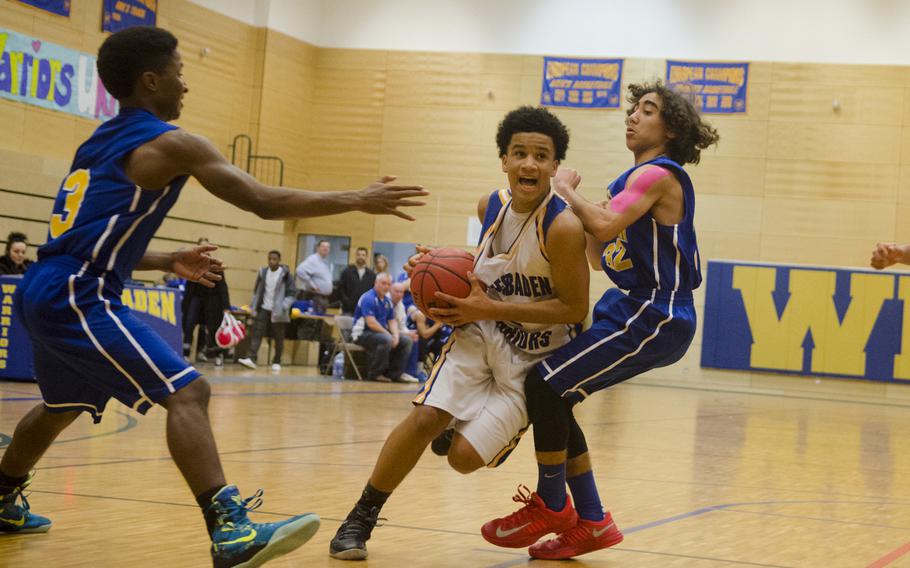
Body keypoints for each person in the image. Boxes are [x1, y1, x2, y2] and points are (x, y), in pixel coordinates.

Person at [0, 26, 426, 568]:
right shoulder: (172, 141)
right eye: (179, 73)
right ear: (151, 80)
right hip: (77, 292)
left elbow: (83, 234)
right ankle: (230, 531)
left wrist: (159, 259)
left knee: (61, 406)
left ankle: (2, 497)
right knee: (189, 392)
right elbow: (262, 202)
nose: (185, 85)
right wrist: (358, 198)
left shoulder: (98, 139)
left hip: (48, 281)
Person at [329, 106, 589, 560]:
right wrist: (431, 267)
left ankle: (465, 428)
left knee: (462, 460)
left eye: (541, 156)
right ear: (504, 160)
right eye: (519, 153)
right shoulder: (490, 205)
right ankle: (360, 518)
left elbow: (575, 308)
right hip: (479, 333)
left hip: (531, 362)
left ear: (553, 166)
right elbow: (488, 269)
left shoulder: (563, 226)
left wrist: (488, 304)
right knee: (425, 417)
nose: (529, 164)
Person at [481, 81, 719, 560]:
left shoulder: (658, 175)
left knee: (545, 386)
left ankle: (552, 505)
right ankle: (591, 520)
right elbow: (597, 254)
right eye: (634, 109)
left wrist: (567, 192)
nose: (633, 116)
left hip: (657, 309)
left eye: (647, 111)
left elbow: (607, 225)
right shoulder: (624, 184)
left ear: (670, 128)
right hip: (631, 304)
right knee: (555, 394)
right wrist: (572, 211)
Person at [350, 273, 413, 383]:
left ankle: (394, 374)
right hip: (362, 334)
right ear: (375, 283)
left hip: (378, 334)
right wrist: (389, 335)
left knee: (406, 341)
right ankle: (374, 374)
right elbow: (371, 323)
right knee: (386, 339)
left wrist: (396, 335)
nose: (386, 286)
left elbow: (392, 321)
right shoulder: (368, 298)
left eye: (388, 284)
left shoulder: (387, 301)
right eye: (383, 283)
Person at [238, 250, 295, 373]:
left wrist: (283, 306)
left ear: (279, 260)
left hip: (278, 311)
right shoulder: (263, 272)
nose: (271, 261)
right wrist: (253, 307)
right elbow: (256, 291)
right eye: (269, 259)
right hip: (263, 308)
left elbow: (292, 293)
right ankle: (251, 358)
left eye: (274, 259)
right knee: (256, 334)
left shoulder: (286, 275)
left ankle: (277, 361)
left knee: (278, 337)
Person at [182, 237, 231, 366]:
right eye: (201, 248)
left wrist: (226, 306)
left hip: (212, 300)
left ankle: (217, 354)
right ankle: (186, 353)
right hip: (196, 299)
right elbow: (188, 287)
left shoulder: (215, 264)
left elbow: (222, 286)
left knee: (212, 327)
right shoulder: (192, 264)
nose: (204, 251)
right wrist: (184, 306)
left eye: (206, 247)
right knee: (189, 323)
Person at [389, 281, 419, 383]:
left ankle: (410, 372)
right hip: (386, 332)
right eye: (396, 291)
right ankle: (397, 373)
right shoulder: (385, 302)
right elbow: (386, 327)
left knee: (414, 336)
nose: (399, 294)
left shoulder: (401, 305)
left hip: (395, 332)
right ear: (390, 291)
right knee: (407, 339)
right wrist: (405, 334)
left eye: (401, 292)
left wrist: (409, 332)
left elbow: (402, 326)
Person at [296, 239, 334, 313]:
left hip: (325, 298)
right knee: (314, 321)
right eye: (323, 246)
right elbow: (300, 270)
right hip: (315, 297)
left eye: (327, 247)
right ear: (318, 248)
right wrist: (312, 285)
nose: (325, 248)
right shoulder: (313, 259)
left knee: (321, 322)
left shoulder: (326, 262)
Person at [338, 246, 375, 315]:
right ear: (356, 256)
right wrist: (346, 301)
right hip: (348, 309)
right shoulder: (347, 271)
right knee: (346, 326)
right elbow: (341, 288)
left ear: (366, 257)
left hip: (364, 309)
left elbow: (373, 291)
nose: (360, 257)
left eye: (363, 255)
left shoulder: (371, 275)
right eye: (358, 254)